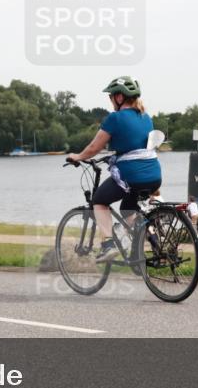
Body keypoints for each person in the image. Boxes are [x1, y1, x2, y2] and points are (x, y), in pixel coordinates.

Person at [66, 76, 162, 261]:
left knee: (99, 201)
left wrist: (77, 156)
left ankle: (109, 245)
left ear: (119, 98)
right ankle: (139, 247)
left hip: (131, 175)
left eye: (111, 97)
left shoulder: (115, 118)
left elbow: (94, 148)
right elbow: (135, 145)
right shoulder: (146, 117)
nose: (110, 100)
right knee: (129, 209)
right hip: (154, 175)